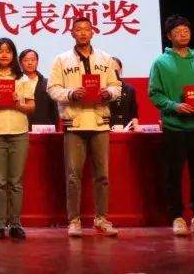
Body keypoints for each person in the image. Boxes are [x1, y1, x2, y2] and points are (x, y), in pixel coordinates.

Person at [47, 18, 122, 237]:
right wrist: (71, 93)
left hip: (99, 121)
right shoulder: (61, 59)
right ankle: (74, 221)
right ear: (72, 33)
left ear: (92, 32)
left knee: (103, 175)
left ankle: (101, 219)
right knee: (73, 176)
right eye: (78, 29)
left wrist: (108, 93)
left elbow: (116, 86)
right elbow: (52, 88)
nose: (82, 33)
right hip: (75, 122)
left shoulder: (106, 58)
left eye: (86, 29)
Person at [148, 14, 194, 237]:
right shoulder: (160, 63)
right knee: (173, 173)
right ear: (169, 36)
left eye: (186, 31)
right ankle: (177, 217)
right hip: (174, 126)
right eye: (178, 32)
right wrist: (174, 106)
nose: (183, 35)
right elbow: (154, 93)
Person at [0, 38, 35, 239]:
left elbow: (31, 106)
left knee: (16, 182)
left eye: (8, 51)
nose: (4, 54)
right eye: (0, 51)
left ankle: (15, 224)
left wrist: (18, 104)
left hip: (19, 132)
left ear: (13, 54)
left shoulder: (23, 79)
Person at [19, 49, 59, 128]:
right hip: (20, 127)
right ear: (20, 63)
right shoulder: (16, 83)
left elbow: (54, 110)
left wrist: (55, 128)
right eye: (26, 60)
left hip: (42, 128)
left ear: (37, 62)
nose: (30, 63)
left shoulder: (47, 83)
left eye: (33, 60)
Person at [107, 57, 138, 130]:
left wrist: (136, 127)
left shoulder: (129, 89)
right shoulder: (103, 89)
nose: (113, 71)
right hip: (107, 128)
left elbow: (134, 113)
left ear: (120, 69)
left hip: (126, 128)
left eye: (115, 68)